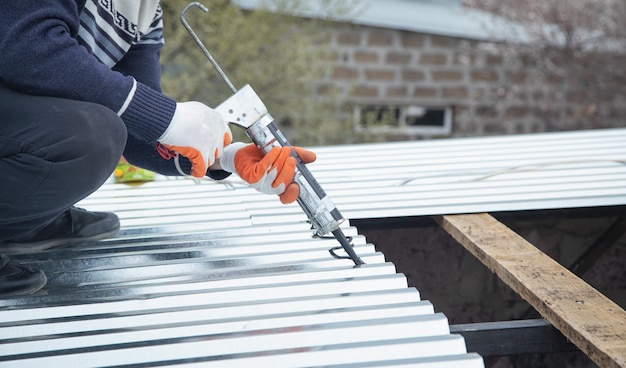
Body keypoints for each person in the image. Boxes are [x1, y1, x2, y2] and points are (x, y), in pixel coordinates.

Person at [0, 1, 315, 297]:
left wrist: (224, 158)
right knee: (92, 133)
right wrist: (165, 116)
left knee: (103, 129)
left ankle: (23, 222)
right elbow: (28, 48)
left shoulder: (145, 12)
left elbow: (139, 128)